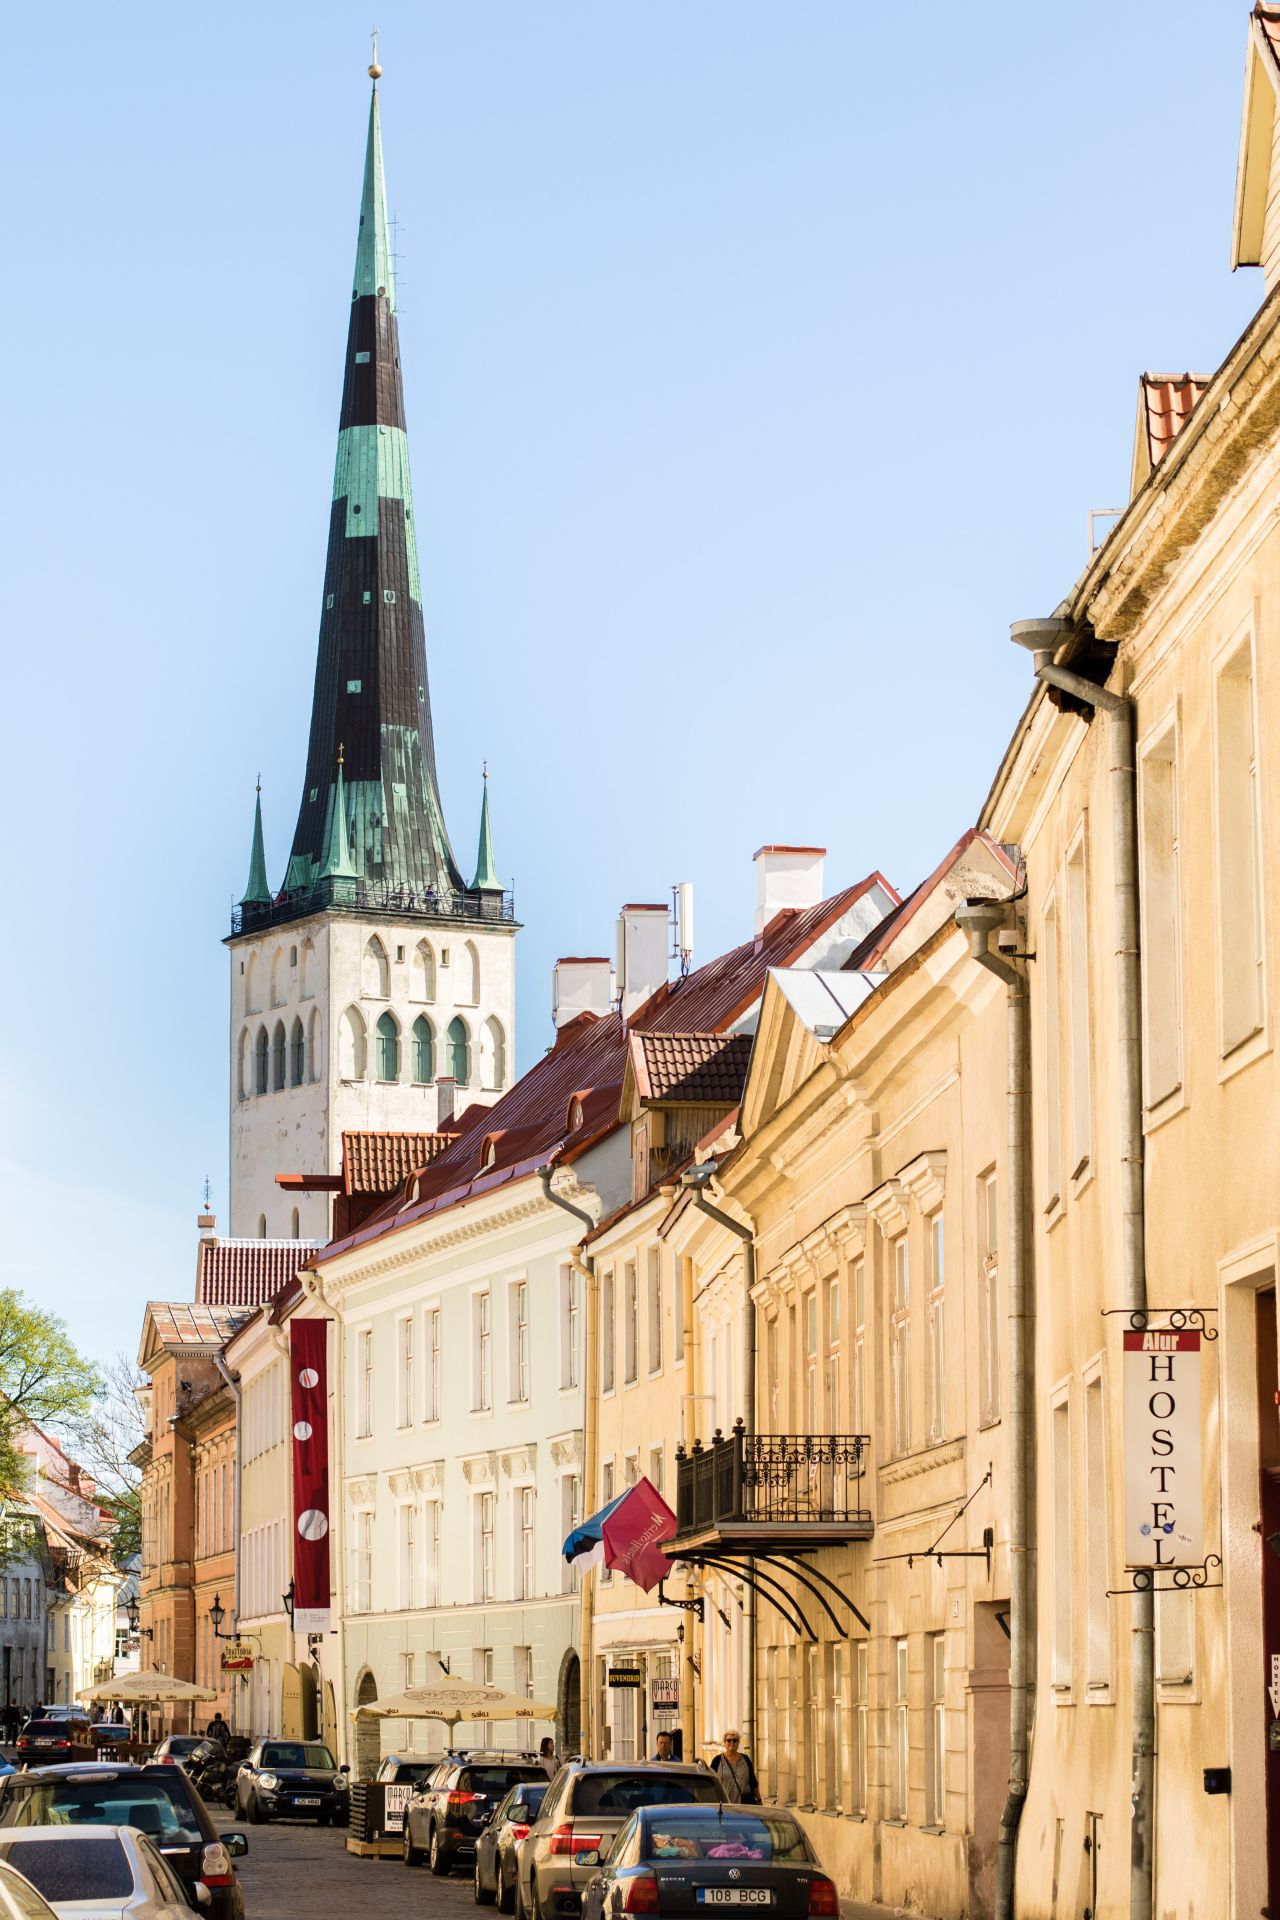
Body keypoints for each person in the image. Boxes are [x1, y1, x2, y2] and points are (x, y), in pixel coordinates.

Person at [711, 1731, 760, 1804]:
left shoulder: (745, 1759)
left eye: (734, 1740)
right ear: (724, 1743)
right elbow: (711, 1782)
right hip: (724, 1804)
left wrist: (759, 1800)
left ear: (738, 1743)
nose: (732, 1742)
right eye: (729, 1740)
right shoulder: (717, 1760)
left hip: (744, 1804)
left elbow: (753, 1782)